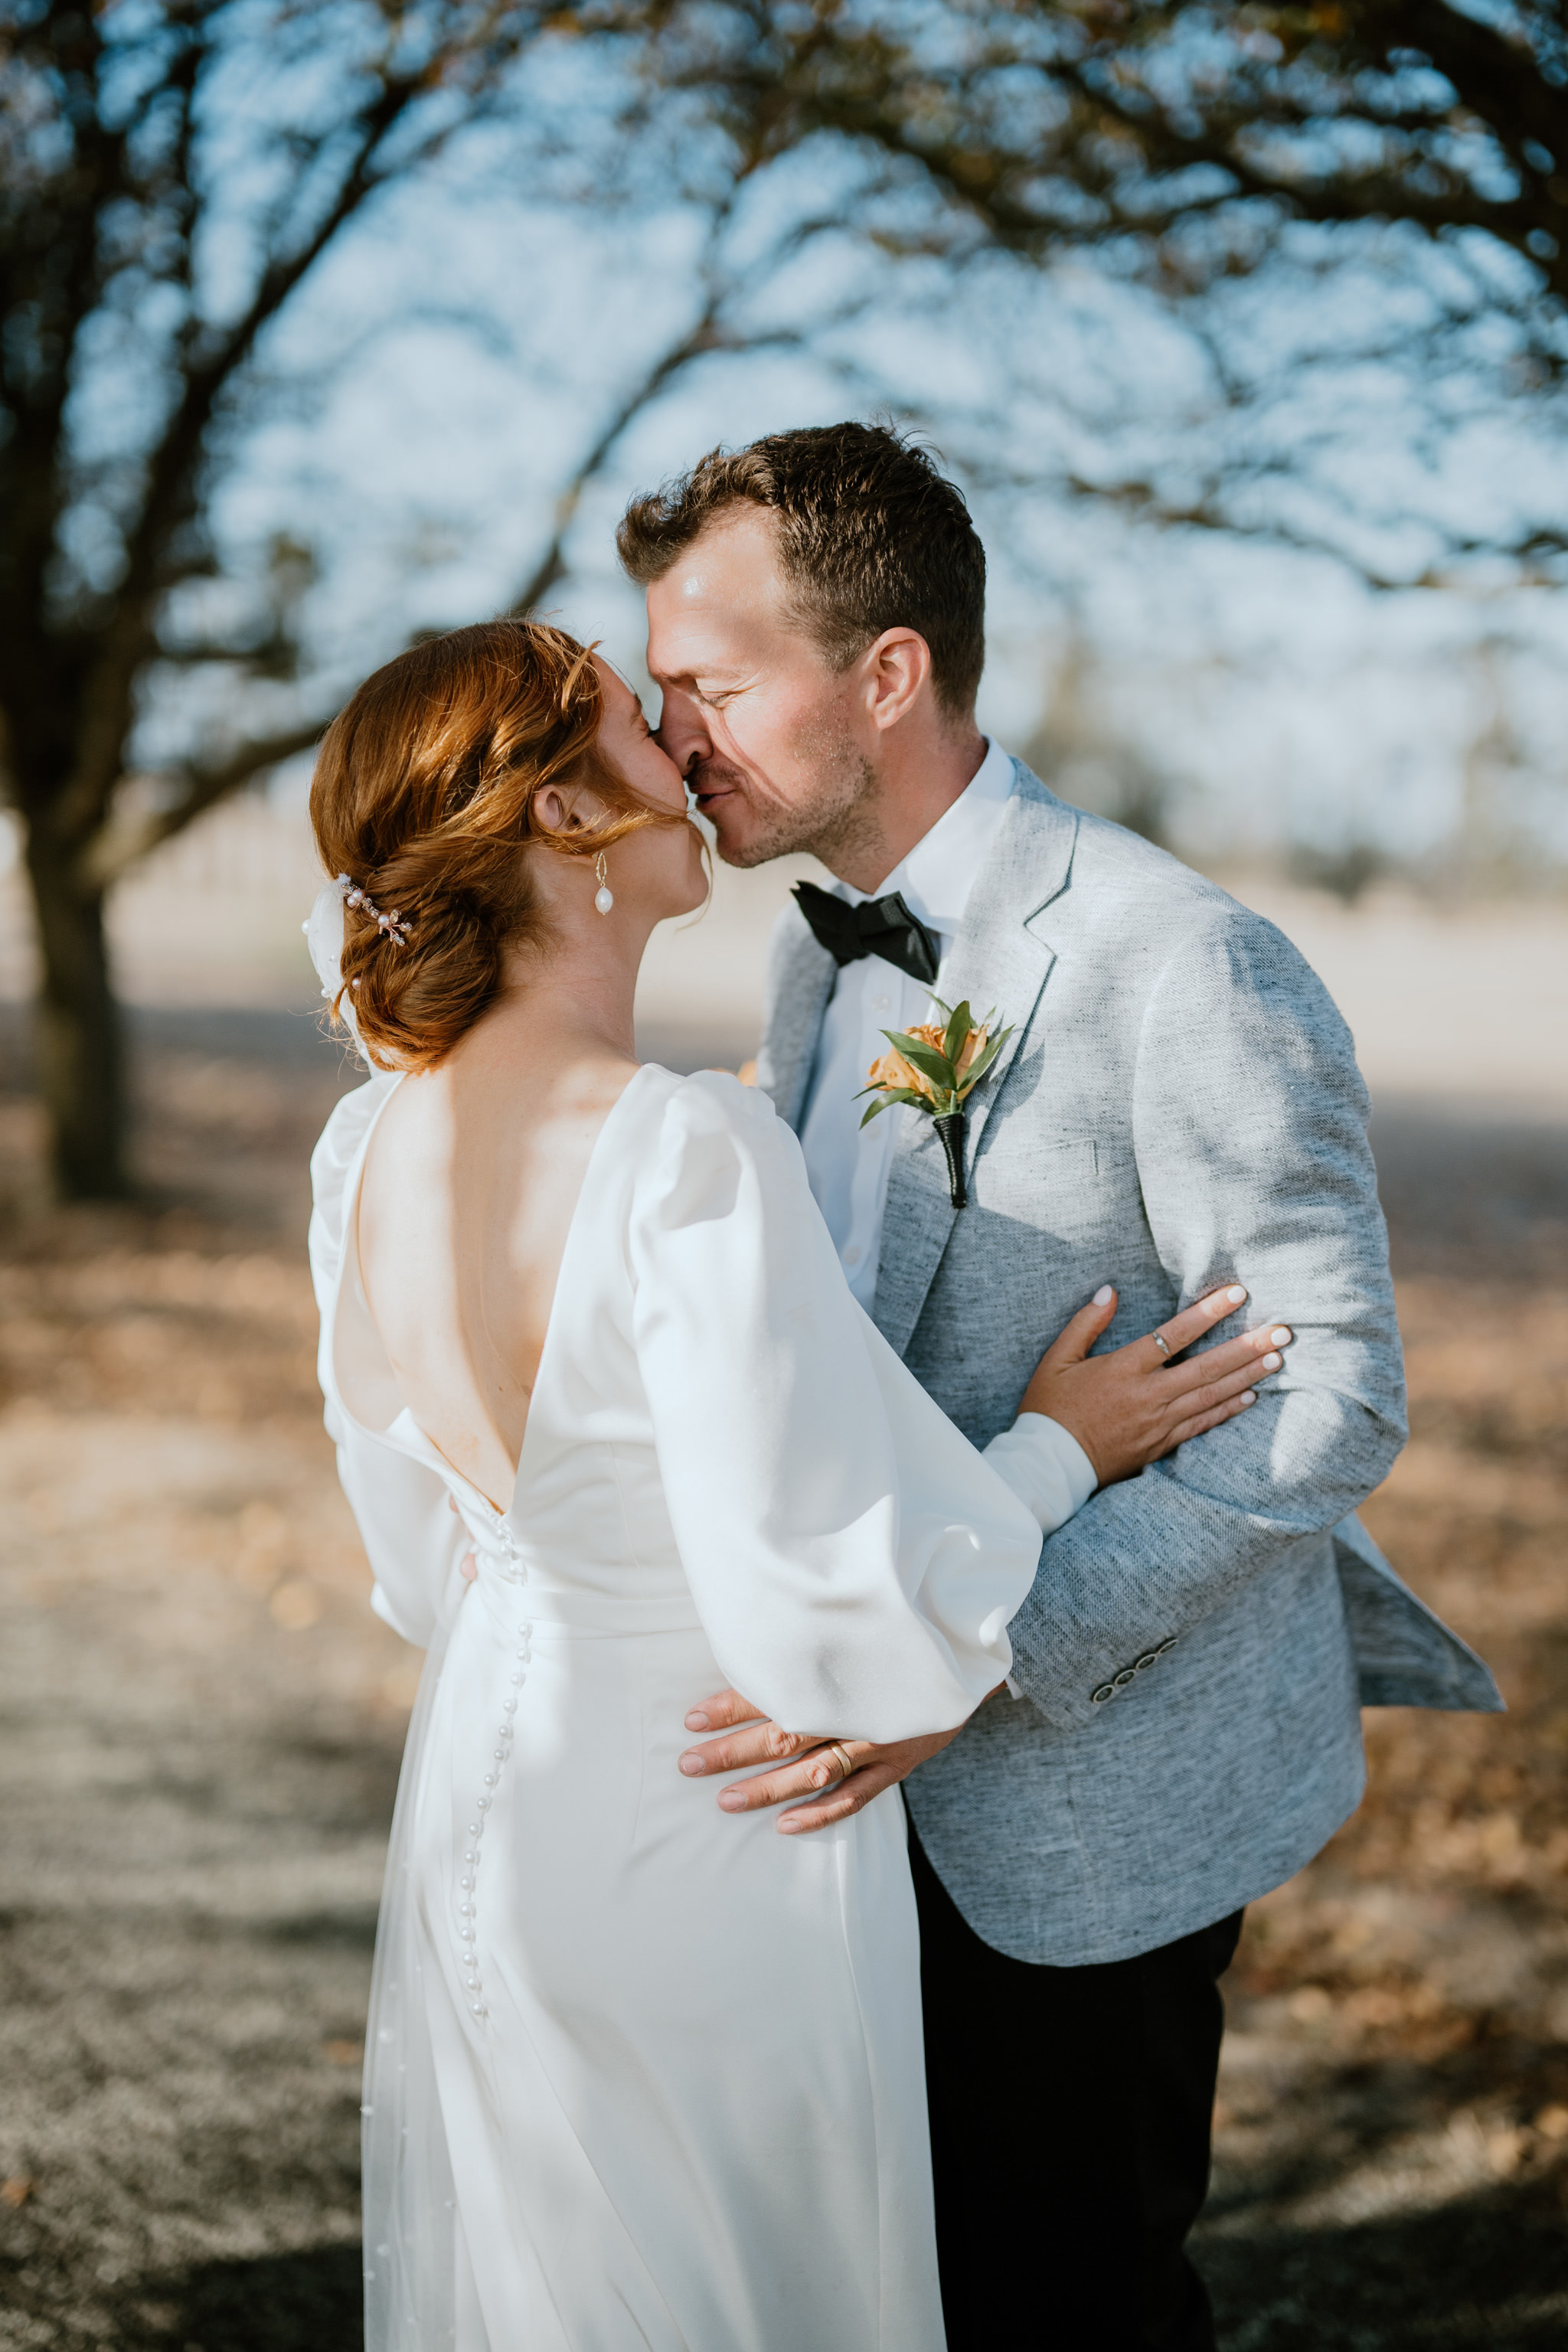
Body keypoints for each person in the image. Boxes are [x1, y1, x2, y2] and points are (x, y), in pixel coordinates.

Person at [622, 422, 1504, 2352]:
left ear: (886, 673)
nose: (668, 735)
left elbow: (1329, 1399)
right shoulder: (809, 968)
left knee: (1069, 2302)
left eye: (710, 686)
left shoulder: (1179, 964)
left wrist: (964, 1660)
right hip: (844, 1801)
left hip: (1087, 1805)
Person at [304, 619, 1283, 2351]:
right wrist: (1060, 1445)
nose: (682, 749)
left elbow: (415, 1556)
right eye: (635, 721)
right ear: (562, 816)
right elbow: (843, 1612)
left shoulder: (370, 1145)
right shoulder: (677, 1148)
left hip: (496, 1807)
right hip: (715, 1825)